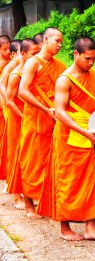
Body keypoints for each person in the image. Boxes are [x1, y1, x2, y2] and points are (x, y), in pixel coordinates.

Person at [38, 37, 95, 241]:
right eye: (87, 58)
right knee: (67, 181)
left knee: (92, 179)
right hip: (68, 135)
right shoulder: (65, 79)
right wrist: (82, 131)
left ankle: (90, 227)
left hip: (92, 134)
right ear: (76, 54)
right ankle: (65, 228)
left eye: (94, 59)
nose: (91, 63)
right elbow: (60, 113)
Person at [18, 27, 66, 219]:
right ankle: (29, 203)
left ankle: (47, 201)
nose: (60, 45)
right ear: (46, 40)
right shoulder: (33, 63)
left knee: (51, 162)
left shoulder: (61, 66)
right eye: (57, 41)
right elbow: (23, 91)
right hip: (35, 117)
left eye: (62, 42)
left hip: (54, 120)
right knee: (31, 161)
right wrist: (45, 109)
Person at [6, 38, 40, 209]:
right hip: (18, 117)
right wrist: (23, 116)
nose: (38, 58)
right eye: (34, 54)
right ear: (22, 54)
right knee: (17, 156)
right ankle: (17, 195)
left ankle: (33, 193)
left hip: (34, 118)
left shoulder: (36, 72)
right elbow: (10, 101)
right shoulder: (15, 74)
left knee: (32, 157)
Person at [0, 35, 11, 181]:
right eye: (5, 49)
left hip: (8, 102)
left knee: (6, 137)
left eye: (9, 48)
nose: (8, 51)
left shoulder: (11, 64)